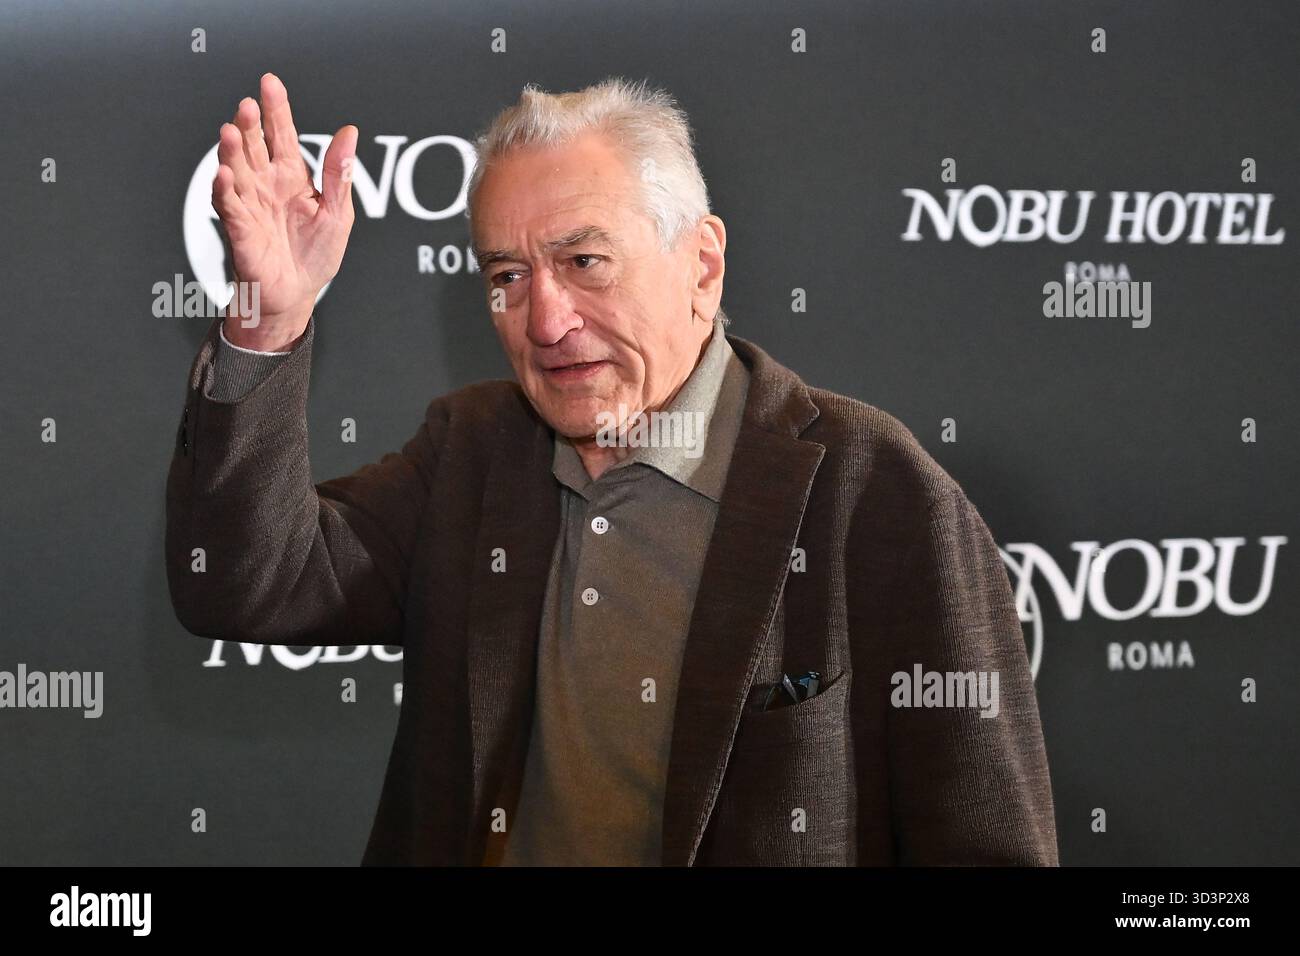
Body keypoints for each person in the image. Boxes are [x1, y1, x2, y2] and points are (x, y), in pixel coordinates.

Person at [166, 72, 1059, 866]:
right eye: (508, 276)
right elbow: (247, 586)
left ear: (701, 265)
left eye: (585, 261)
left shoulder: (875, 492)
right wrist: (266, 321)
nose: (546, 319)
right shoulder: (472, 451)